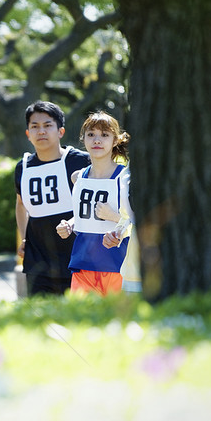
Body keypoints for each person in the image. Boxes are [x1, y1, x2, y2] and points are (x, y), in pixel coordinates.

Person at [15, 101, 90, 295]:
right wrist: (24, 237)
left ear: (61, 131)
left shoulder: (81, 161)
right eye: (35, 126)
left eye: (47, 125)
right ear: (27, 134)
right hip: (37, 261)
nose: (41, 131)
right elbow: (21, 204)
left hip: (77, 257)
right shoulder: (22, 167)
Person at [56, 111, 131, 296]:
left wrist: (113, 217)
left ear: (115, 140)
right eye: (91, 135)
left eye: (104, 135)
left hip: (116, 262)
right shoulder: (77, 177)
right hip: (83, 261)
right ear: (83, 139)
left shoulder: (125, 178)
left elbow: (135, 219)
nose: (97, 140)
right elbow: (85, 214)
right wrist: (70, 224)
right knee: (81, 320)